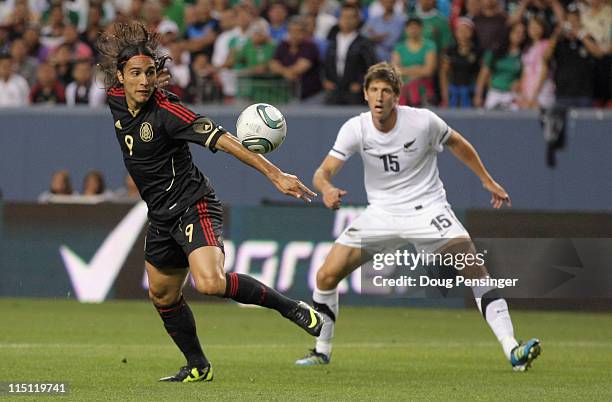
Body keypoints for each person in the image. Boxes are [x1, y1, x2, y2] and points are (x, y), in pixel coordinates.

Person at [96, 21, 322, 383]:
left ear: (158, 75)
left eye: (150, 73)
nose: (143, 81)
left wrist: (276, 174)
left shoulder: (169, 112)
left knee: (211, 283)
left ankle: (289, 307)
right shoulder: (115, 100)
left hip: (192, 204)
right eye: (135, 73)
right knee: (162, 294)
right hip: (160, 217)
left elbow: (226, 141)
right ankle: (198, 365)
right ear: (119, 77)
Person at [294, 62, 541, 372]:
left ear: (397, 95)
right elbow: (323, 171)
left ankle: (512, 350)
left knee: (474, 268)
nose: (379, 97)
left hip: (428, 210)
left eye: (386, 90)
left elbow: (458, 143)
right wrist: (327, 189)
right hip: (381, 214)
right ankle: (321, 351)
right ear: (366, 95)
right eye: (374, 90)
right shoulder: (355, 128)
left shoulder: (423, 122)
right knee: (325, 276)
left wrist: (486, 179)